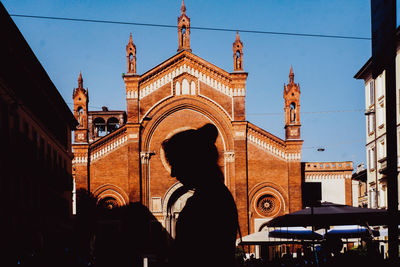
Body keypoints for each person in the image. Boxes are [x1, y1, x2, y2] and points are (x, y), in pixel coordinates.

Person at [162, 123, 239, 267]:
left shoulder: (205, 202)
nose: (172, 173)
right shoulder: (219, 195)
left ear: (192, 161)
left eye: (175, 163)